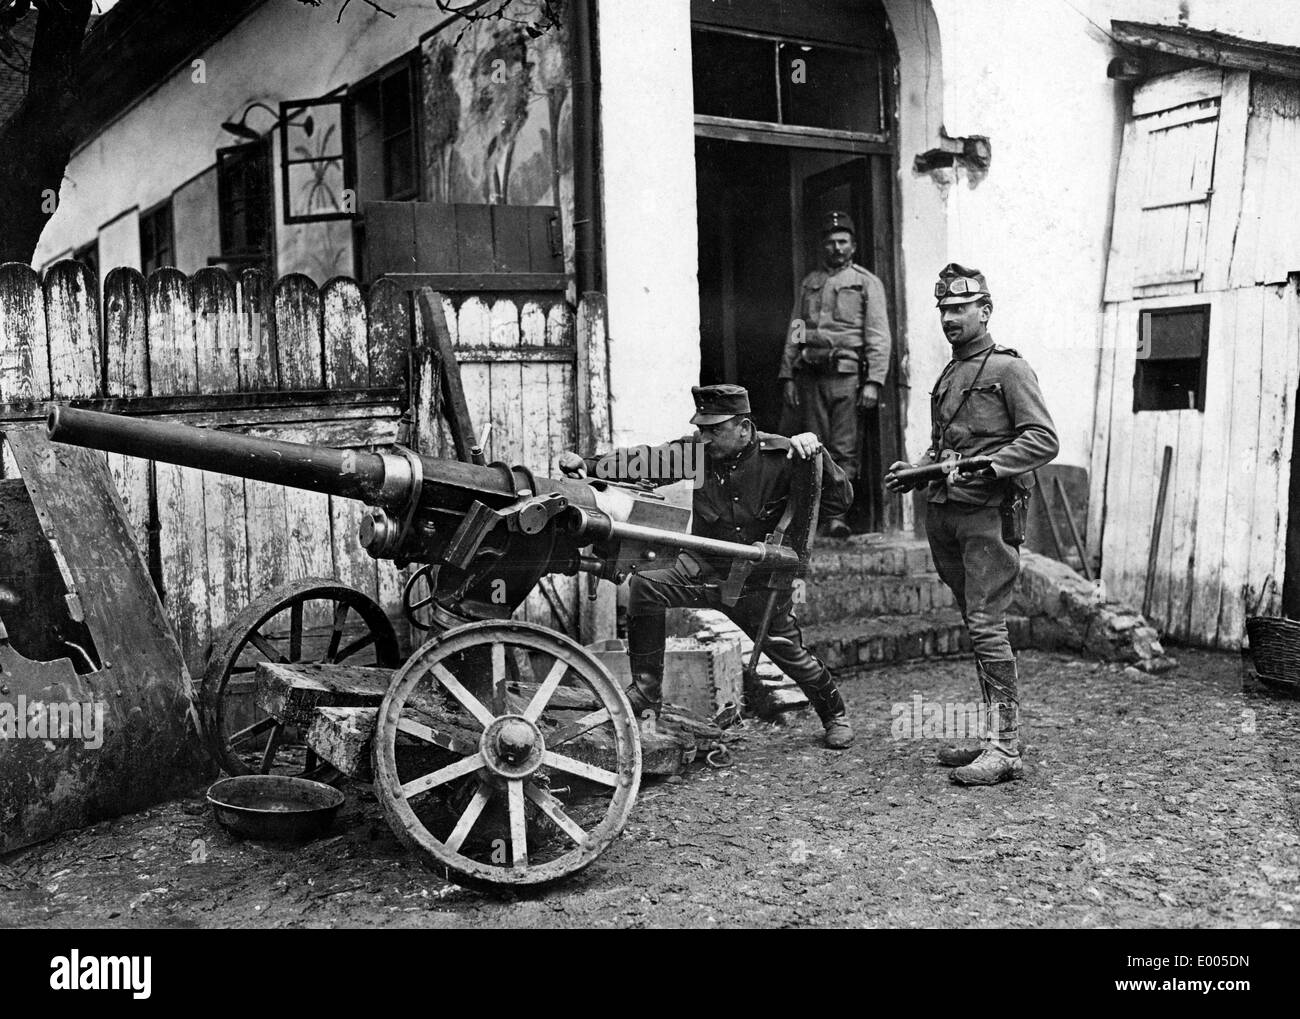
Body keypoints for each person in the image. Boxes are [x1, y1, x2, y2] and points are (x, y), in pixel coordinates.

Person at [559, 384, 856, 749]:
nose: (705, 437)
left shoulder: (783, 456)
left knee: (789, 653)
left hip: (756, 583)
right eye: (702, 428)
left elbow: (839, 502)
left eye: (715, 429)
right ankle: (646, 691)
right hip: (702, 569)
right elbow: (648, 460)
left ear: (744, 428)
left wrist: (819, 455)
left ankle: (835, 715)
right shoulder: (697, 454)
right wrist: (588, 464)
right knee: (647, 586)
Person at [885, 263, 1058, 785]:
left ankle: (1005, 747)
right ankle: (992, 737)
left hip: (987, 515)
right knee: (975, 625)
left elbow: (1043, 439)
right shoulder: (950, 373)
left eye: (961, 309)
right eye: (944, 309)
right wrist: (917, 470)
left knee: (986, 625)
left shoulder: (1008, 369)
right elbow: (946, 447)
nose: (950, 318)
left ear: (985, 311)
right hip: (947, 512)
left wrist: (993, 465)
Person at [779, 211, 892, 538]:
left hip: (846, 376)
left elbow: (878, 335)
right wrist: (787, 375)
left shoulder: (866, 282)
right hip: (811, 376)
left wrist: (873, 381)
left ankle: (836, 516)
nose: (836, 247)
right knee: (812, 447)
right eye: (830, 242)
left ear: (853, 246)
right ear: (822, 246)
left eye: (843, 241)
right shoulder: (810, 283)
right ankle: (813, 517)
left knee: (843, 448)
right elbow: (796, 329)